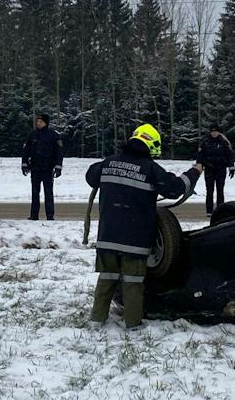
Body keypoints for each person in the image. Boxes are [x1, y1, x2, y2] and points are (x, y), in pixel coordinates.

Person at [85, 123, 201, 328]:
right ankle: (133, 325)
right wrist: (194, 171)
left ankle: (96, 320)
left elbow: (91, 176)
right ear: (151, 144)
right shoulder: (150, 168)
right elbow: (174, 189)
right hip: (135, 239)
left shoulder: (109, 162)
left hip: (108, 236)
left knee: (106, 278)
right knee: (133, 282)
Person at [21, 113, 64, 221]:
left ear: (46, 122)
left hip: (48, 168)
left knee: (48, 192)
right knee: (35, 192)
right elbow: (26, 150)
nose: (38, 123)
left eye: (40, 121)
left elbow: (59, 153)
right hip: (35, 168)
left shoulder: (53, 135)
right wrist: (24, 164)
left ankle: (50, 215)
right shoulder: (32, 134)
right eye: (37, 121)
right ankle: (34, 215)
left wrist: (58, 167)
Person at [197, 124, 235, 215]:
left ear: (218, 132)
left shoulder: (224, 142)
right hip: (209, 169)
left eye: (215, 131)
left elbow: (230, 155)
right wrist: (199, 166)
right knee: (209, 190)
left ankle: (220, 211)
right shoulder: (205, 142)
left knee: (220, 190)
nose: (214, 133)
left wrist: (231, 168)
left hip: (221, 169)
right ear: (210, 132)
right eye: (212, 131)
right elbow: (200, 155)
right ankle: (209, 211)